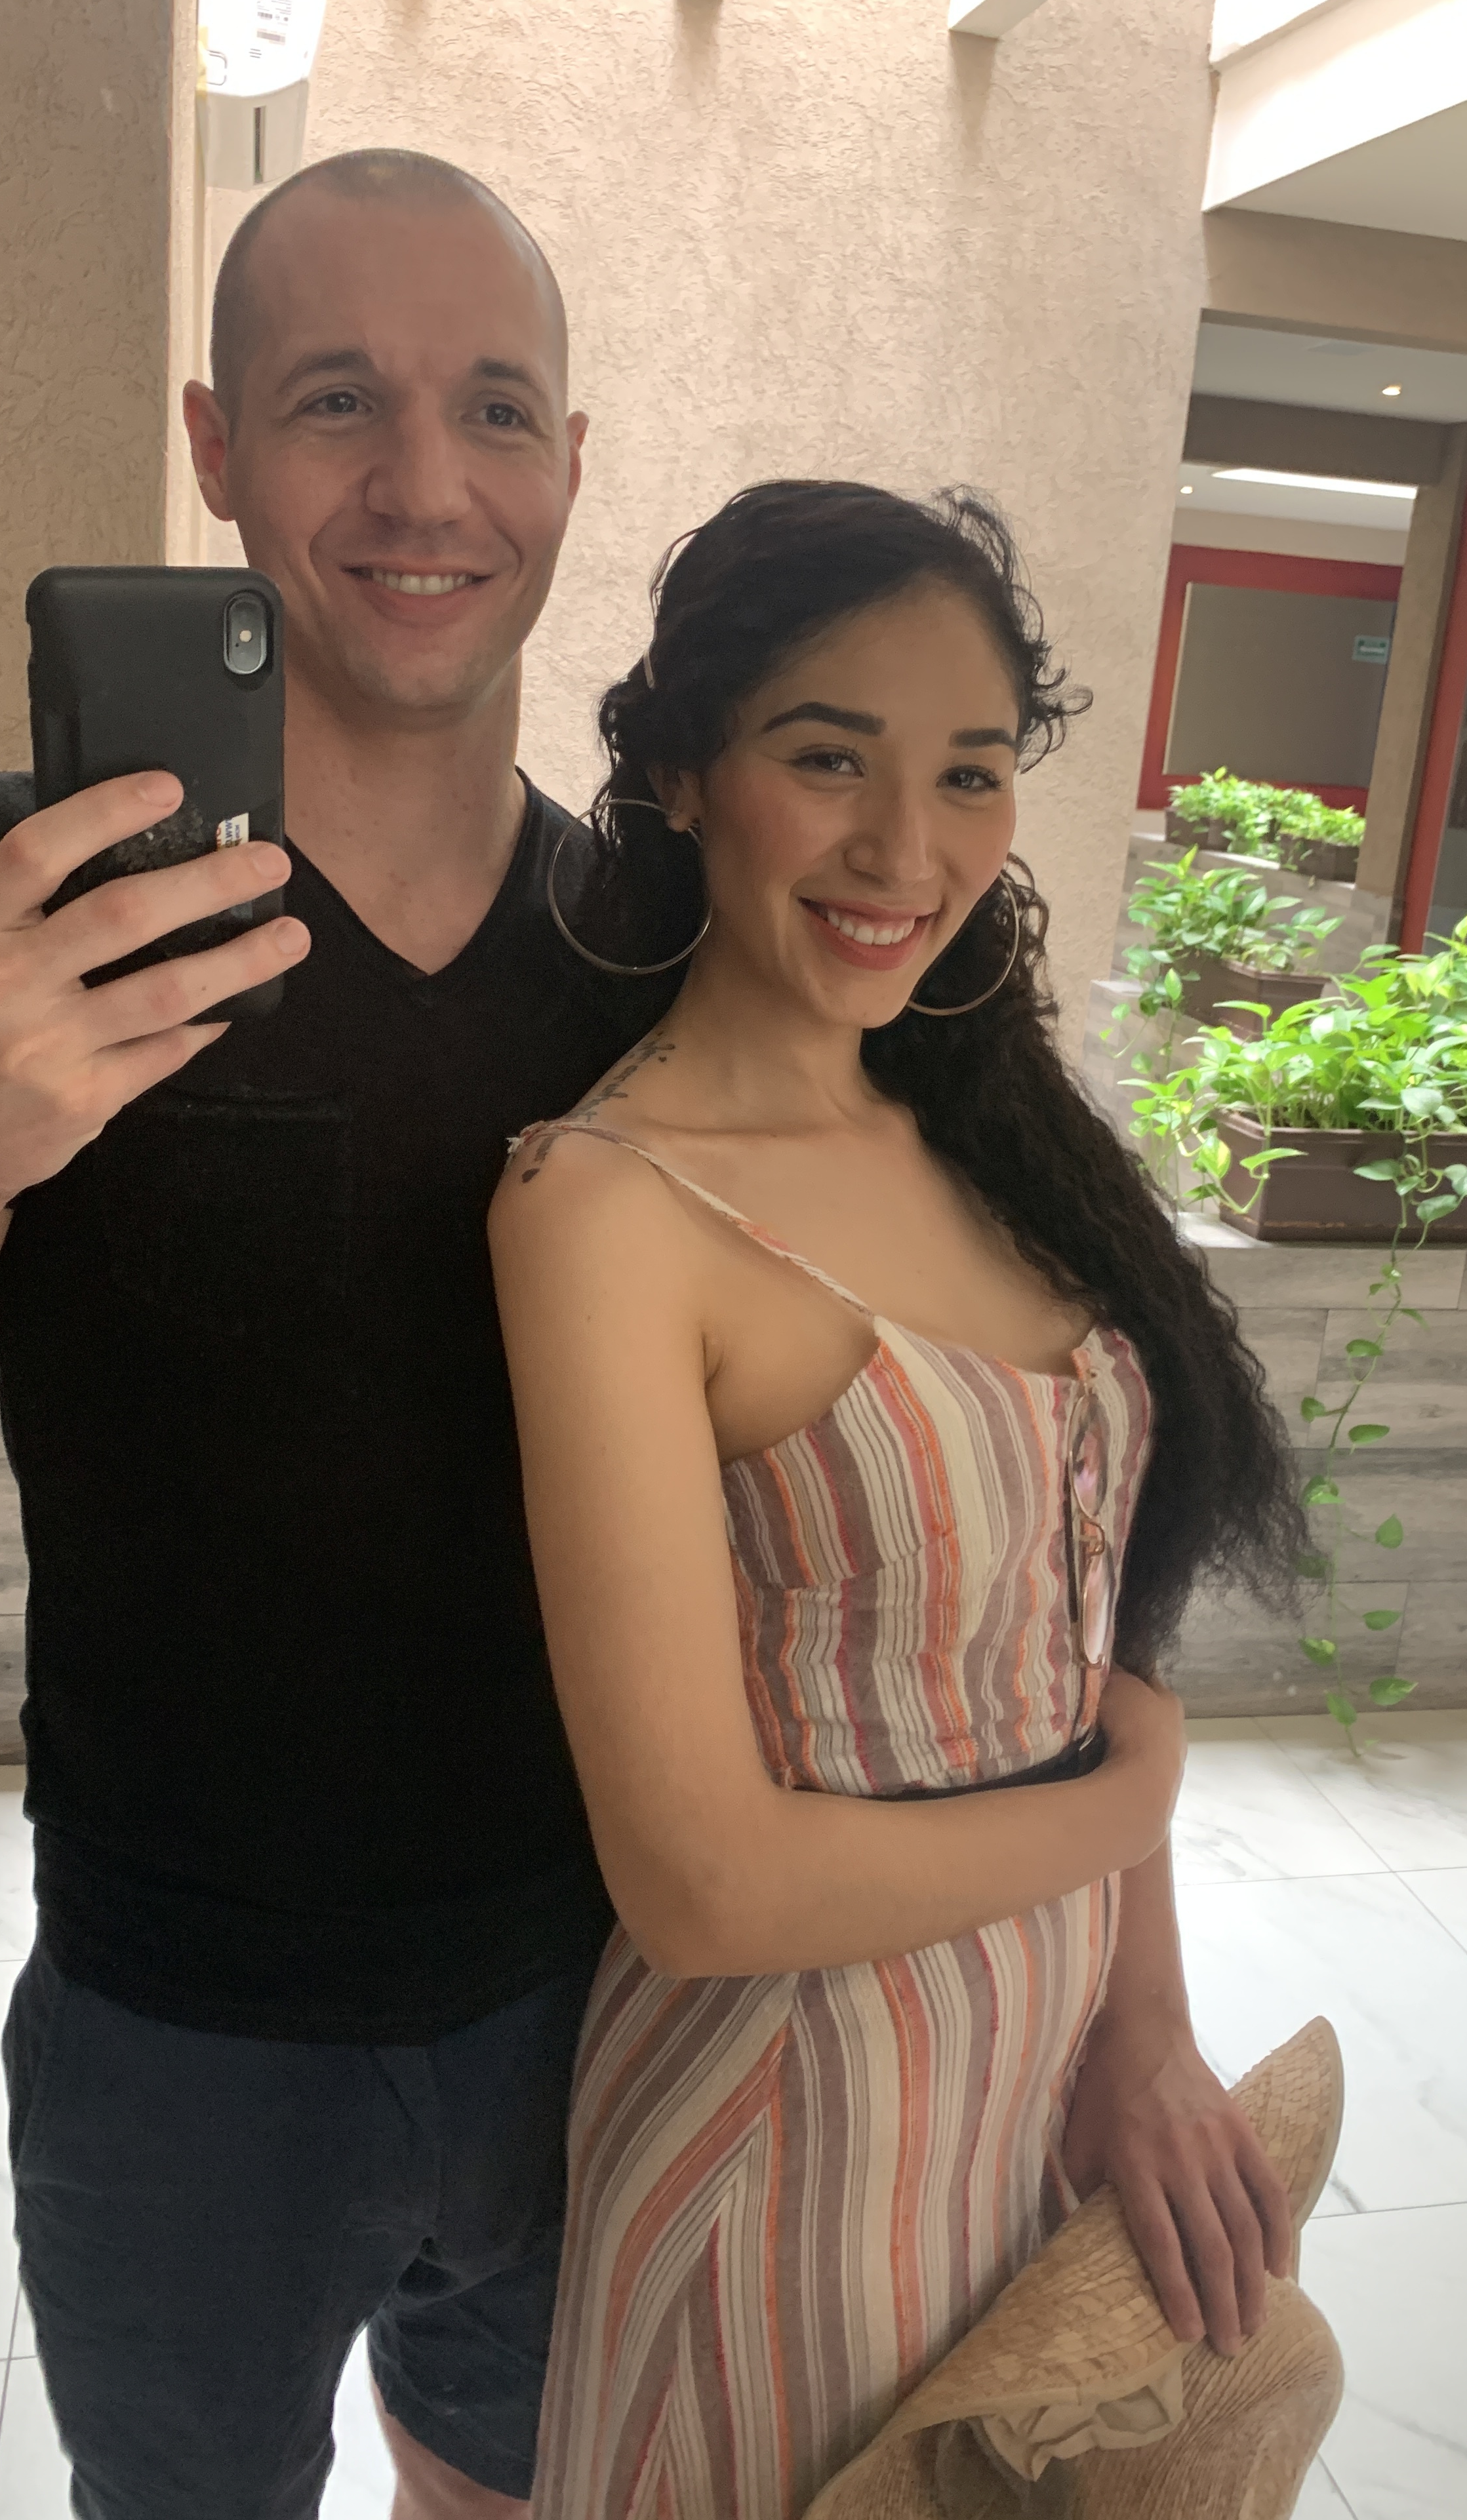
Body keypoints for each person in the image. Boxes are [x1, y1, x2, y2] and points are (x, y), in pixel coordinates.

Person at [0, 151, 666, 2520]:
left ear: (569, 462)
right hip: (178, 2041)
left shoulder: (651, 945)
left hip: (602, 1987)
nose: (425, 485)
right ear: (218, 445)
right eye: (338, 400)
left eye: (495, 408)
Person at [488, 481, 1307, 2520]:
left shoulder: (983, 1138)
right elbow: (706, 1888)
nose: (905, 851)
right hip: (793, 2148)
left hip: (1047, 2092)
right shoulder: (603, 1209)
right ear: (687, 771)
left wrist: (1145, 2027)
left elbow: (1076, 1641)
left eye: (968, 773)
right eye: (828, 757)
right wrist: (1135, 1795)